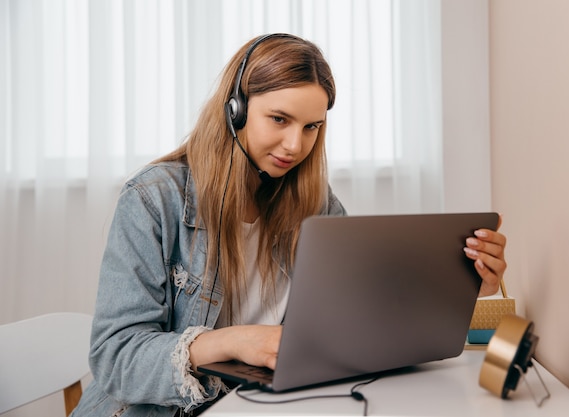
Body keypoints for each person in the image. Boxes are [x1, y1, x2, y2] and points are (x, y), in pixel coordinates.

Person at [70, 33, 507, 417]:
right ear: (235, 110)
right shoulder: (153, 199)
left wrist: (462, 287)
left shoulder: (315, 205)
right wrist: (230, 343)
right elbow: (115, 356)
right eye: (279, 120)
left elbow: (360, 319)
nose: (295, 145)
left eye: (312, 126)